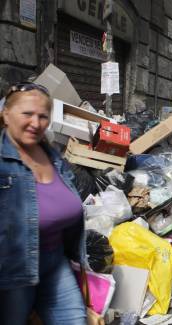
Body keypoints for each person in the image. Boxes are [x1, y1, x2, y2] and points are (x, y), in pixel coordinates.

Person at [0, 82, 87, 324]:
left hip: (54, 261)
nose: (36, 123)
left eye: (43, 116)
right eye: (27, 114)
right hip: (12, 271)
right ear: (6, 114)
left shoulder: (53, 156)